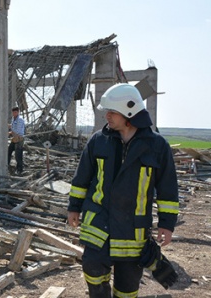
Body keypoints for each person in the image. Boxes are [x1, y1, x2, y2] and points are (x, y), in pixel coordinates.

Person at [67, 83, 179, 297]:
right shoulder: (98, 142)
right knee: (92, 270)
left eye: (112, 112)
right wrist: (74, 208)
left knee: (127, 287)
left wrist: (167, 224)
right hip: (99, 224)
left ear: (129, 112)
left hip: (133, 230)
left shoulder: (157, 146)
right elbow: (81, 178)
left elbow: (167, 189)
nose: (106, 116)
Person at [8, 106, 26, 174]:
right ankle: (6, 166)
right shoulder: (13, 118)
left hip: (19, 138)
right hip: (15, 138)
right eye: (13, 112)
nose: (14, 113)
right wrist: (11, 130)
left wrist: (10, 128)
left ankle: (20, 170)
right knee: (9, 151)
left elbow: (18, 131)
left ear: (18, 112)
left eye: (15, 112)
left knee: (18, 155)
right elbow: (14, 128)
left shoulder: (20, 120)